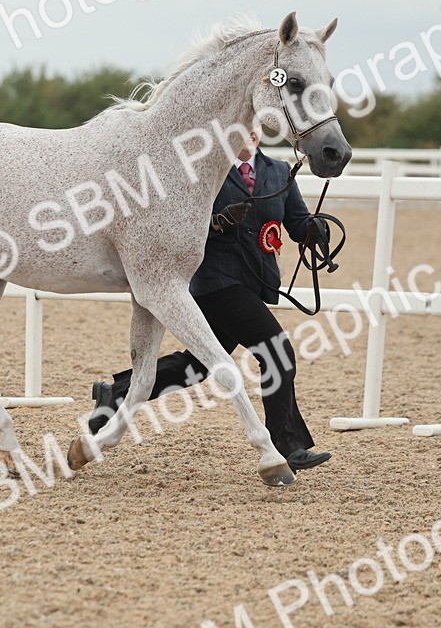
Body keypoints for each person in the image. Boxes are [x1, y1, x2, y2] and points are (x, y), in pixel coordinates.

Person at [88, 131, 333, 472]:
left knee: (199, 366)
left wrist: (314, 230)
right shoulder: (207, 170)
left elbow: (295, 222)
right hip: (214, 283)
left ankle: (116, 393)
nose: (251, 131)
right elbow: (176, 225)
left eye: (257, 125)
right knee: (277, 352)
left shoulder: (278, 171)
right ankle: (287, 444)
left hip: (254, 281)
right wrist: (215, 222)